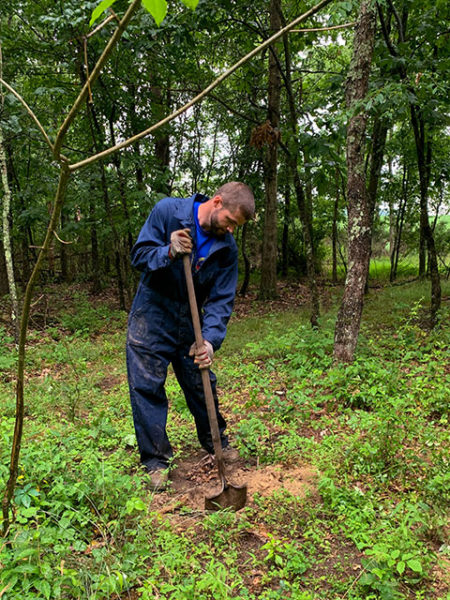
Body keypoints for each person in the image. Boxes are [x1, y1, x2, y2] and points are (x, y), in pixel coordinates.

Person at [126, 182, 255, 490]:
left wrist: (209, 339)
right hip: (153, 314)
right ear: (217, 202)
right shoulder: (168, 212)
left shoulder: (227, 249)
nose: (231, 230)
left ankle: (216, 443)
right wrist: (168, 251)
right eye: (230, 222)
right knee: (147, 387)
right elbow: (139, 256)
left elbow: (222, 299)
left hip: (193, 321)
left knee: (202, 382)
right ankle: (156, 462)